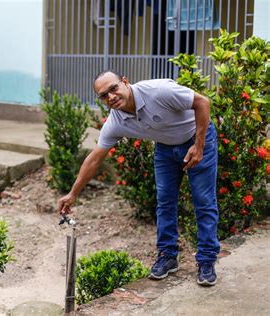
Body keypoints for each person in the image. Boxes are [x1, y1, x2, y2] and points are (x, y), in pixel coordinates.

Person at [57, 70, 219, 286]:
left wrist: (199, 146)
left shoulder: (158, 91)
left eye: (113, 88)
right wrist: (72, 193)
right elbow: (95, 159)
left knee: (203, 200)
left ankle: (207, 260)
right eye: (104, 96)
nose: (111, 97)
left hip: (197, 137)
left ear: (125, 82)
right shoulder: (115, 122)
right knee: (165, 201)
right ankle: (168, 256)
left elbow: (202, 102)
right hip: (165, 147)